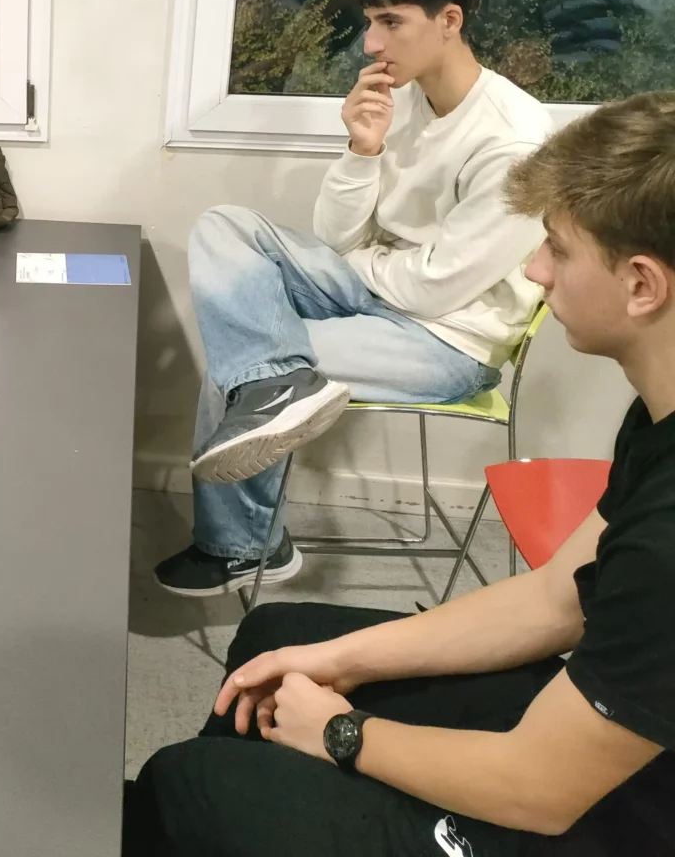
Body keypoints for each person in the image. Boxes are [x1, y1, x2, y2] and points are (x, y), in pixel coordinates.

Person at [125, 91, 675, 856]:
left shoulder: (666, 545)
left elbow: (540, 791)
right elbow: (557, 598)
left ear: (642, 284)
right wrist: (339, 662)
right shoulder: (656, 420)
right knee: (276, 642)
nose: (535, 270)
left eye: (557, 249)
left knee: (188, 785)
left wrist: (342, 732)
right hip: (600, 748)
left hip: (615, 817)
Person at [155, 0, 551, 597]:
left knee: (239, 365)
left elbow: (436, 289)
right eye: (370, 22)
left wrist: (360, 265)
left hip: (445, 340)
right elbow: (335, 238)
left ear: (450, 21)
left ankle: (242, 546)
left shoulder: (513, 141)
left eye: (390, 22)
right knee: (226, 227)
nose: (371, 44)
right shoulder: (402, 100)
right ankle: (275, 391)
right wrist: (362, 149)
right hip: (380, 291)